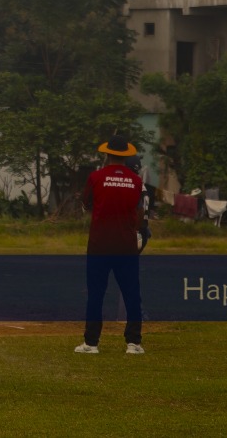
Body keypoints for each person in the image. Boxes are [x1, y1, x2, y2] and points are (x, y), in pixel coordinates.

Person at [77, 135, 146, 355]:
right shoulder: (136, 180)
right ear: (127, 156)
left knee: (96, 294)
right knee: (132, 294)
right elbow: (140, 212)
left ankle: (91, 343)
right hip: (126, 246)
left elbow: (86, 203)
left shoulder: (96, 177)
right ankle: (133, 343)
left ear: (107, 154)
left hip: (99, 245)